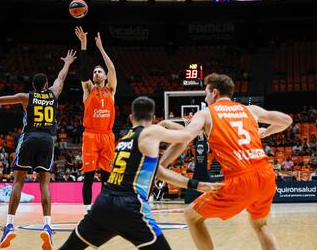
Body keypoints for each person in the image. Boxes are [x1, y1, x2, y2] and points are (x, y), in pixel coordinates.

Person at [58, 96, 222, 250]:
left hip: (104, 203)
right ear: (153, 117)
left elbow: (160, 172)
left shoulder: (124, 140)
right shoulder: (151, 132)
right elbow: (186, 137)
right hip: (130, 205)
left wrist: (196, 184)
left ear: (131, 117)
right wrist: (166, 122)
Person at [160, 73, 292, 250]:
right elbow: (286, 120)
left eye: (206, 93)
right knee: (260, 225)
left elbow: (186, 137)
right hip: (265, 174)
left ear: (214, 92)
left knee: (192, 216)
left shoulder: (205, 114)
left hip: (240, 179)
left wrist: (159, 130)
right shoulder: (250, 110)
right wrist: (265, 132)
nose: (206, 98)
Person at [0, 49, 77, 250]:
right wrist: (67, 63)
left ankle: (10, 225)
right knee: (44, 185)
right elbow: (61, 78)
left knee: (18, 182)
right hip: (48, 140)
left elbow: (0, 100)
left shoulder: (26, 97)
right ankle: (47, 226)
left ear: (33, 86)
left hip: (29, 137)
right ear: (46, 85)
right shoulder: (54, 94)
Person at [75, 26, 117, 212]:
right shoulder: (88, 90)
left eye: (99, 72)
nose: (97, 74)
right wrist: (83, 46)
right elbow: (84, 73)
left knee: (107, 177)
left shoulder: (111, 90)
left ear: (105, 76)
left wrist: (100, 48)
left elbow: (112, 68)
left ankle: (106, 210)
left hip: (107, 136)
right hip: (91, 136)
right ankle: (86, 212)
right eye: (95, 72)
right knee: (89, 177)